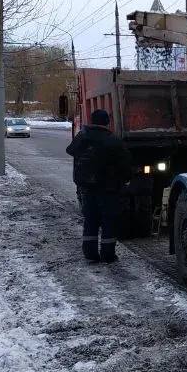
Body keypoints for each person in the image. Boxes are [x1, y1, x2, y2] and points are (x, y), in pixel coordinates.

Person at [65, 108, 133, 263]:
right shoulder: (113, 140)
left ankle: (90, 253)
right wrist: (126, 179)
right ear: (107, 123)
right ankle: (108, 255)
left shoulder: (83, 136)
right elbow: (125, 164)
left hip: (87, 187)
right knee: (108, 221)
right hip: (108, 188)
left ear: (92, 120)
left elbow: (70, 150)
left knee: (90, 219)